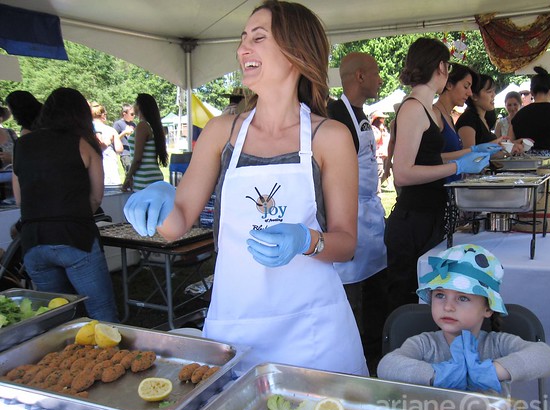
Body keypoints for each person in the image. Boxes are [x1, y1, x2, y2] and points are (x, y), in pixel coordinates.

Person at [124, 0, 367, 376]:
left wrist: (307, 240)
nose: (242, 50)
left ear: (296, 52)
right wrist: (157, 199)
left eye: (258, 38)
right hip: (236, 323)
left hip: (313, 331)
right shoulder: (224, 131)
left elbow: (346, 243)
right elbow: (177, 223)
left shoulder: (329, 136)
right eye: (242, 39)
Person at [384, 37, 496, 314]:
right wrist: (458, 167)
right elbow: (403, 174)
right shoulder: (412, 108)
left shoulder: (427, 109)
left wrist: (471, 152)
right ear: (441, 67)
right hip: (412, 220)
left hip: (430, 214)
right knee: (406, 297)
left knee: (427, 293)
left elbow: (430, 159)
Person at [377, 244, 550, 393]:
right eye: (440, 295)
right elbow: (386, 366)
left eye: (463, 298)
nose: (448, 306)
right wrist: (435, 374)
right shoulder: (425, 344)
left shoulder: (497, 345)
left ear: (488, 308)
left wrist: (495, 370)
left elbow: (548, 357)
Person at [11, 88, 119, 323]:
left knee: (57, 318)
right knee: (101, 313)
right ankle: (113, 357)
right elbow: (95, 198)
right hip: (76, 237)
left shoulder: (22, 144)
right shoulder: (84, 144)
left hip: (33, 241)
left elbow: (20, 200)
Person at [327, 52, 388, 373]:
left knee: (376, 293)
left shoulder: (361, 114)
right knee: (351, 301)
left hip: (371, 217)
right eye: (377, 72)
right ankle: (353, 364)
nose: (381, 79)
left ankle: (376, 357)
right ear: (360, 76)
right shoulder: (336, 114)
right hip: (349, 218)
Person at [510, 66, 550, 156]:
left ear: (531, 92)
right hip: (546, 166)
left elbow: (508, 145)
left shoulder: (518, 115)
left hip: (522, 165)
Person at [122, 93, 167, 192]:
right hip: (153, 177)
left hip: (144, 180)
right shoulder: (154, 126)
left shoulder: (142, 126)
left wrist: (128, 177)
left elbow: (137, 158)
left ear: (139, 106)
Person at [456, 73, 506, 149]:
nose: (494, 95)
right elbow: (468, 154)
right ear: (474, 96)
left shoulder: (486, 118)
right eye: (489, 92)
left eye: (494, 91)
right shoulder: (468, 119)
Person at [91, 102, 123, 186]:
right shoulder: (110, 130)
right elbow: (119, 149)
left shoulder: (86, 129)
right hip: (110, 164)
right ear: (103, 115)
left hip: (93, 166)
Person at [112, 104, 136, 173]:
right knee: (129, 173)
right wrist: (124, 132)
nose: (134, 116)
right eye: (132, 114)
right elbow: (114, 139)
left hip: (134, 152)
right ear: (124, 113)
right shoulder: (118, 124)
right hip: (125, 153)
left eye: (134, 114)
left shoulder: (133, 124)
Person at [370, 111, 390, 188]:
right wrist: (380, 132)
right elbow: (375, 140)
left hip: (383, 155)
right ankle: (377, 191)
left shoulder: (382, 129)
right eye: (382, 118)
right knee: (378, 174)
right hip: (377, 155)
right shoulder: (374, 129)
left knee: (383, 173)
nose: (384, 120)